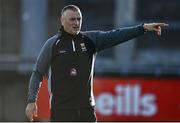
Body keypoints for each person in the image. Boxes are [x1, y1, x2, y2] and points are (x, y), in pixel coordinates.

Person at [25, 4, 168, 122]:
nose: (76, 23)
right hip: (61, 111)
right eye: (72, 19)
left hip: (87, 110)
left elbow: (117, 35)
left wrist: (142, 28)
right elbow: (37, 73)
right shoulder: (52, 44)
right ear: (62, 20)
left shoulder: (91, 40)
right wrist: (32, 101)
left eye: (79, 19)